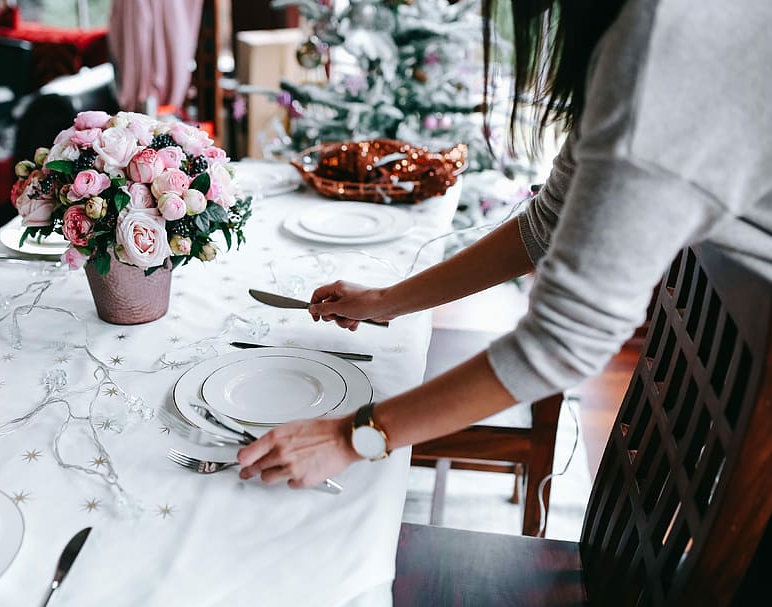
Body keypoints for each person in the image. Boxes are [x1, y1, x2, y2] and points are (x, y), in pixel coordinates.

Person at [236, 0, 772, 490]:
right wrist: (385, 302)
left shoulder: (665, 41)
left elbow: (562, 343)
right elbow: (547, 225)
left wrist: (351, 438)